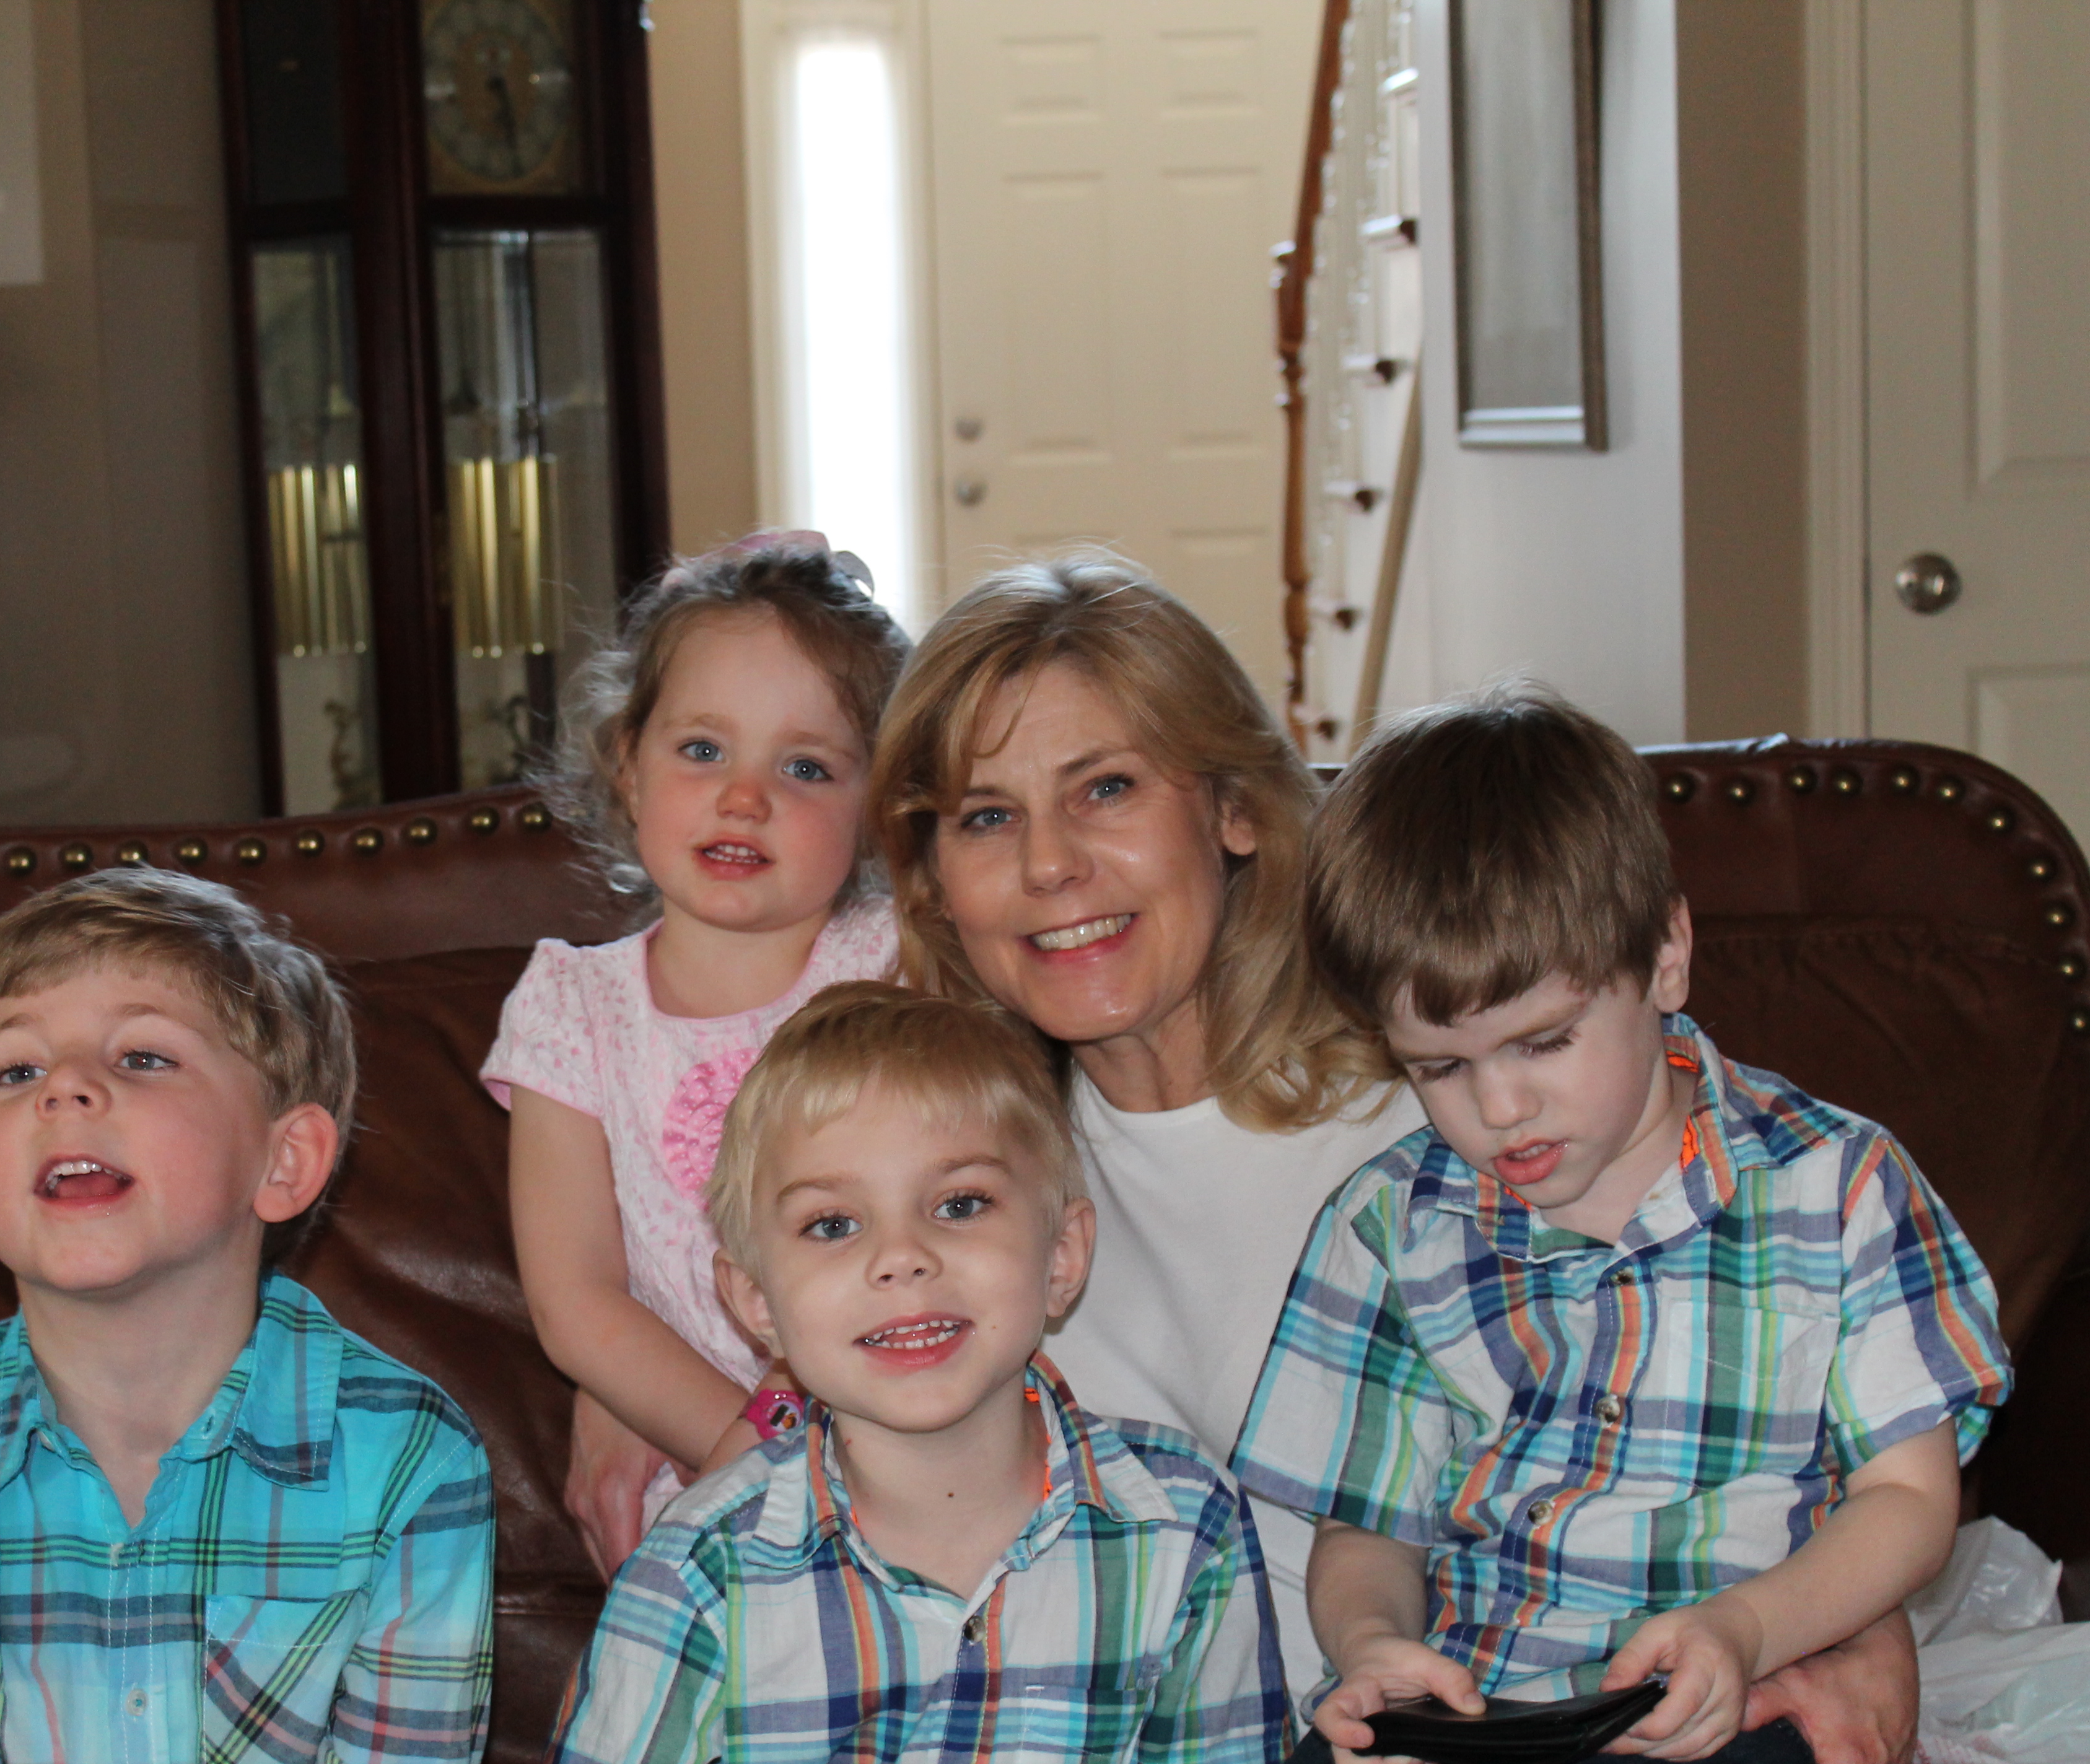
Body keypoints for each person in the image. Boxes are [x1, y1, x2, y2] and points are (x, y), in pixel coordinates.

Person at [862, 553, 1931, 1764]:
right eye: (986, 816)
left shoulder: (1451, 1106)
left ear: (1234, 809)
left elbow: (1793, 1367)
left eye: (1104, 787)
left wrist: (1848, 1628)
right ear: (932, 880)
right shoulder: (935, 1186)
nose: (1049, 863)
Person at [1230, 685, 2010, 1764]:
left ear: (1665, 955)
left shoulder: (1839, 1187)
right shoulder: (1389, 1224)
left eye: (1544, 1042)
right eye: (1440, 1067)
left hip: (1739, 1690)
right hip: (1479, 1704)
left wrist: (1747, 1628)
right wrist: (1374, 1645)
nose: (1500, 1107)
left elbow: (1908, 1501)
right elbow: (1366, 1526)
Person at [0, 869, 496, 1763]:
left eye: (142, 1057)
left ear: (284, 1161)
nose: (65, 1088)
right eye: (17, 1069)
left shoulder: (412, 1461)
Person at [551, 982, 1293, 1764]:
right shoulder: (698, 1569)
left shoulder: (1183, 1523)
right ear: (757, 1301)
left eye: (959, 1204)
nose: (901, 1255)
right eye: (833, 1224)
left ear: (1061, 1256)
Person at [483, 535, 909, 1571]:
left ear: (875, 809)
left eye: (805, 767)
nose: (745, 798)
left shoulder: (896, 964)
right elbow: (578, 1301)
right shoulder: (572, 1009)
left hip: (910, 1429)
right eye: (703, 749)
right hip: (702, 1463)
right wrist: (754, 1460)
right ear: (629, 767)